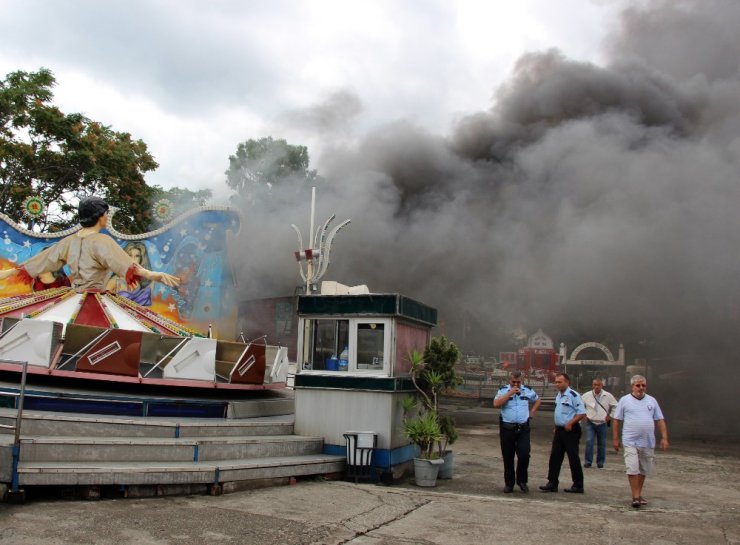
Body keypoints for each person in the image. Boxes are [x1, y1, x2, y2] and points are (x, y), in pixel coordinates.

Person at [0, 197, 179, 291]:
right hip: (94, 298)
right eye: (106, 213)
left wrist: (11, 271)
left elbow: (42, 261)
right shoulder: (102, 241)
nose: (107, 217)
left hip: (72, 297)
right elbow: (127, 266)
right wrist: (156, 275)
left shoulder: (68, 241)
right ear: (101, 216)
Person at [612, 374, 669, 509]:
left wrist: (664, 437)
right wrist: (616, 439)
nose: (641, 388)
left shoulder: (652, 401)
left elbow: (660, 419)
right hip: (630, 440)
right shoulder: (624, 401)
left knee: (643, 469)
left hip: (648, 441)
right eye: (638, 385)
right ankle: (635, 496)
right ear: (632, 386)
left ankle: (638, 494)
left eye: (643, 385)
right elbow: (616, 420)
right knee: (632, 468)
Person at [493, 370, 542, 493]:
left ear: (522, 381)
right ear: (510, 380)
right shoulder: (503, 390)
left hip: (523, 428)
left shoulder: (527, 390)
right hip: (507, 428)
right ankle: (509, 483)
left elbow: (538, 400)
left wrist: (533, 411)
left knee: (524, 454)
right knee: (508, 456)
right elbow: (496, 404)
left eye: (518, 382)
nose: (515, 384)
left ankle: (522, 481)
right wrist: (509, 394)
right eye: (513, 382)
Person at [540, 372, 587, 493]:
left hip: (571, 430)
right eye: (556, 382)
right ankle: (552, 482)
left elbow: (581, 412)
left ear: (567, 382)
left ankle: (578, 484)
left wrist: (570, 423)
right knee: (555, 456)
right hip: (560, 430)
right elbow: (559, 413)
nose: (557, 384)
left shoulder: (573, 395)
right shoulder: (559, 396)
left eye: (560, 382)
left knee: (573, 457)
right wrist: (557, 426)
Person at [581, 378, 618, 468]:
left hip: (602, 422)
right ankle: (588, 461)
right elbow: (580, 405)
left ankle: (600, 462)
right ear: (592, 385)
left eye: (598, 385)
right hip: (591, 422)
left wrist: (610, 416)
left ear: (602, 385)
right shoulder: (586, 395)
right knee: (589, 441)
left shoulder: (608, 396)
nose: (596, 386)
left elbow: (616, 406)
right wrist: (584, 415)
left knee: (602, 443)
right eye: (595, 385)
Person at [105, 241, 154, 305]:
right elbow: (103, 301)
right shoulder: (115, 281)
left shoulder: (141, 281)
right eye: (130, 255)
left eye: (137, 256)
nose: (133, 259)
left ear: (141, 259)